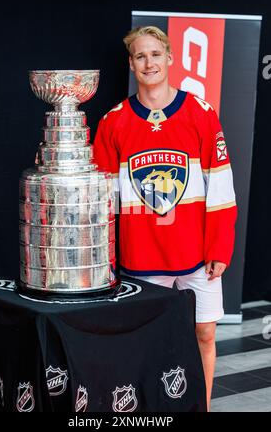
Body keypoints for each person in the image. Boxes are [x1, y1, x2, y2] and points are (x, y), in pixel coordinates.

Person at [93, 25, 237, 411]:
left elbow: (221, 187)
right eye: (140, 56)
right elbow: (103, 203)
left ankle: (201, 406)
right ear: (131, 64)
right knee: (144, 341)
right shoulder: (113, 122)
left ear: (170, 58)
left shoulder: (201, 114)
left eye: (155, 54)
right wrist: (106, 261)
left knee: (204, 333)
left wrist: (220, 246)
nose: (149, 62)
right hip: (141, 256)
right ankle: (147, 411)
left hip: (195, 250)